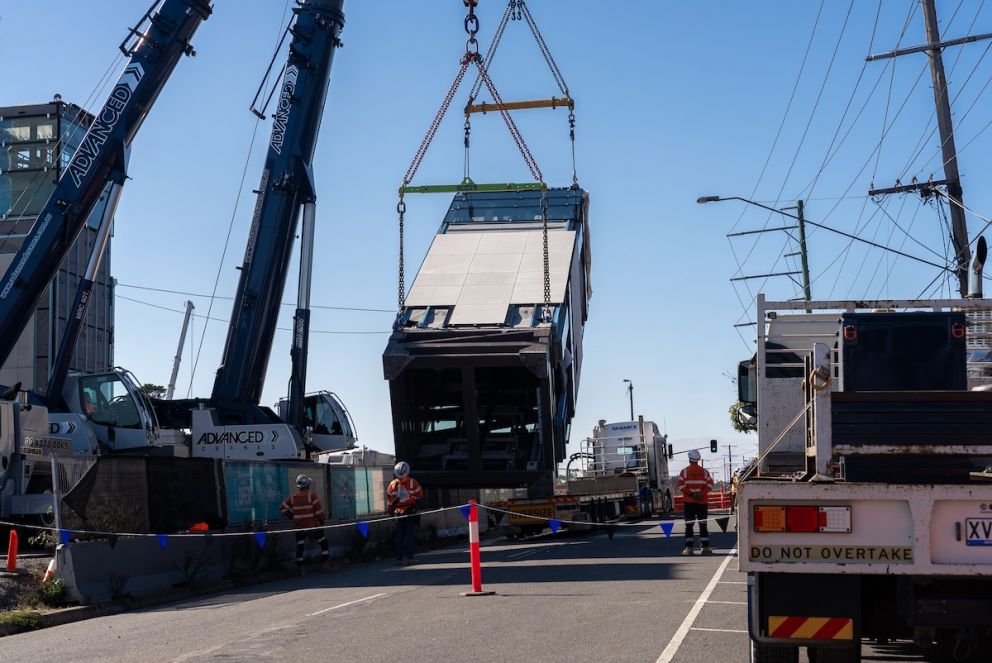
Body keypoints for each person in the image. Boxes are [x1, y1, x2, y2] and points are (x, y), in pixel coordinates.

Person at [280, 474, 329, 566]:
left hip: (299, 527)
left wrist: (293, 516)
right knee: (324, 543)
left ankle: (300, 568)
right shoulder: (312, 495)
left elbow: (282, 508)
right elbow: (319, 512)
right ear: (307, 485)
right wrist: (322, 524)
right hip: (311, 526)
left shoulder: (293, 497)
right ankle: (325, 564)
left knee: (300, 546)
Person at [387, 461, 424, 566]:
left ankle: (398, 559)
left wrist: (391, 514)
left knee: (399, 536)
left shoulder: (392, 485)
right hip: (409, 512)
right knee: (409, 535)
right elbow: (420, 495)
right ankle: (410, 558)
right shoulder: (413, 482)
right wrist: (413, 500)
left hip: (397, 513)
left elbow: (389, 502)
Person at [678, 450, 714, 555]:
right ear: (698, 459)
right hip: (702, 503)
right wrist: (701, 494)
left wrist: (691, 494)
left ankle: (689, 549)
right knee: (703, 525)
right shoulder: (704, 472)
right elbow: (710, 485)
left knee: (689, 525)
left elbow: (681, 485)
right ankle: (705, 548)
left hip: (689, 503)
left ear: (689, 459)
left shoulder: (684, 472)